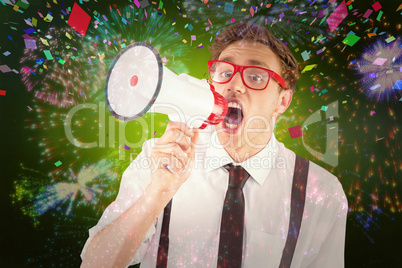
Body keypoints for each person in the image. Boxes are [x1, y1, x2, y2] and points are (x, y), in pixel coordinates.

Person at [81, 22, 348, 268]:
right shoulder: (158, 157)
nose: (234, 85)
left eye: (256, 76)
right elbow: (94, 264)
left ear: (282, 101)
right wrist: (156, 194)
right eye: (225, 71)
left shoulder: (321, 191)